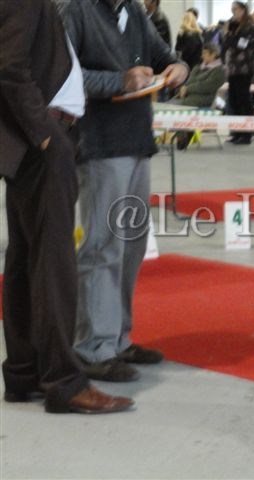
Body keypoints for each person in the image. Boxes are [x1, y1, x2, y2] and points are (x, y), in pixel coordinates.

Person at [0, 0, 133, 413]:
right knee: (54, 265)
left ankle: (24, 371)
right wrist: (47, 136)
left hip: (32, 142)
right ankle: (64, 381)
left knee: (27, 261)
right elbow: (9, 68)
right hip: (42, 141)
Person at [59, 0, 189, 382]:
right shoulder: (75, 9)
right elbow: (62, 76)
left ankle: (117, 339)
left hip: (137, 142)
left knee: (131, 246)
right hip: (99, 145)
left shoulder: (133, 11)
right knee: (102, 246)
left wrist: (179, 68)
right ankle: (92, 347)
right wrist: (121, 81)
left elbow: (165, 56)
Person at [171, 44, 226, 150]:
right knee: (171, 104)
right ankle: (182, 133)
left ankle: (183, 135)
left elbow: (207, 87)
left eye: (205, 53)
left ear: (213, 55)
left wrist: (188, 89)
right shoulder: (198, 67)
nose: (202, 56)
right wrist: (184, 88)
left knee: (184, 105)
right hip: (191, 96)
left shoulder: (219, 71)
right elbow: (189, 82)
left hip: (206, 99)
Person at [223, 1, 254, 145]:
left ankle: (247, 133)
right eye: (232, 9)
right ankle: (237, 132)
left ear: (243, 10)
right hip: (233, 69)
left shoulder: (249, 27)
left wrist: (228, 35)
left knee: (244, 100)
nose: (233, 12)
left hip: (244, 69)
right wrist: (229, 35)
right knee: (234, 100)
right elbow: (227, 44)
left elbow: (241, 45)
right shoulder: (235, 26)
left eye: (235, 9)